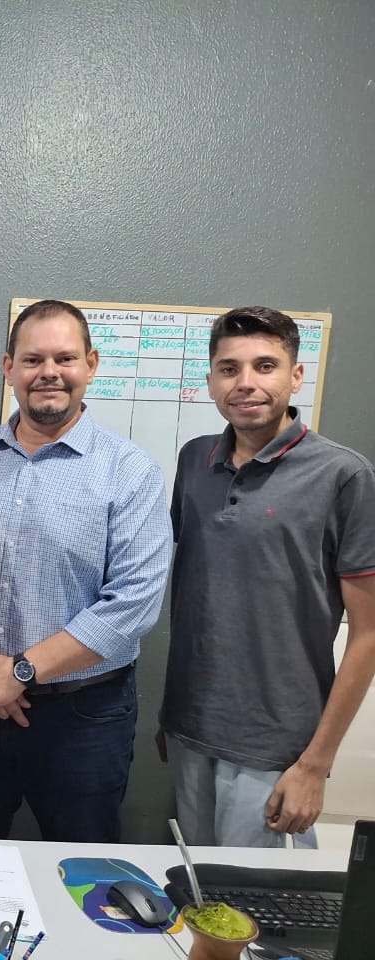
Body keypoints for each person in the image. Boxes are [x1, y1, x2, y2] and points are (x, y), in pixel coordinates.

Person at [0, 299, 171, 843]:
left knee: (83, 868)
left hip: (84, 717)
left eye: (65, 358)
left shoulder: (130, 471)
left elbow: (133, 604)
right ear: (9, 368)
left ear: (91, 364)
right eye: (32, 359)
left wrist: (20, 672)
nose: (49, 372)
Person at [161, 306, 375, 847]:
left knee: (259, 897)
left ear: (295, 376)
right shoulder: (194, 460)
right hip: (190, 730)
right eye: (229, 369)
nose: (246, 383)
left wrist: (315, 765)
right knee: (198, 888)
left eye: (265, 365)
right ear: (212, 381)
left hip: (277, 749)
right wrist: (172, 718)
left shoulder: (344, 475)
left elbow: (369, 634)